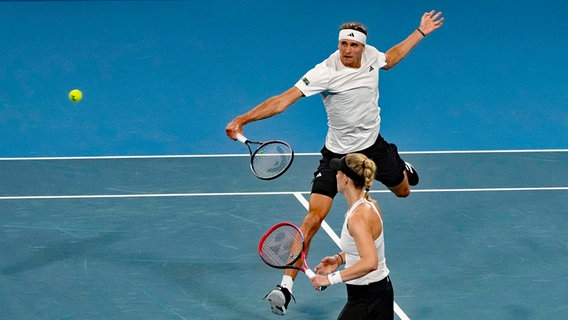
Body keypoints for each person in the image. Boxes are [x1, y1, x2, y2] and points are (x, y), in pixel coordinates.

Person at [226, 10, 444, 315]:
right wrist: (243, 118)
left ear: (362, 47)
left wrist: (420, 32)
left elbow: (391, 58)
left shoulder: (371, 56)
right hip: (337, 156)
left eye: (353, 46)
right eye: (343, 44)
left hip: (374, 148)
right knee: (313, 218)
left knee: (404, 191)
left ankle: (400, 164)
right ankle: (285, 287)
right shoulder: (323, 72)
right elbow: (282, 100)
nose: (348, 50)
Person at [310, 153, 392, 319]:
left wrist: (330, 279)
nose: (336, 175)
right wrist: (339, 259)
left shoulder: (357, 218)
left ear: (345, 179)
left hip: (366, 299)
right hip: (380, 293)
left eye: (338, 172)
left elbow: (370, 262)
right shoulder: (369, 205)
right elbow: (366, 248)